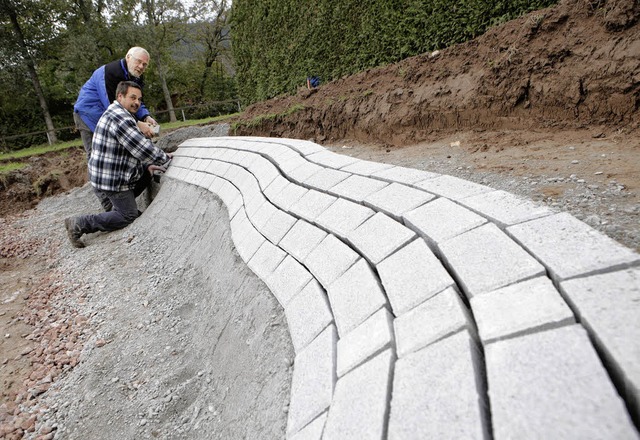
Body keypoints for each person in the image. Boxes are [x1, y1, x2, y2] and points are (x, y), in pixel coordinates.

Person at [64, 81, 171, 249]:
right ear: (120, 96)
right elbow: (140, 148)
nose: (137, 102)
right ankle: (79, 223)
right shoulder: (121, 118)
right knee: (128, 215)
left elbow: (133, 148)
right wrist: (165, 158)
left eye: (139, 99)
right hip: (112, 179)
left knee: (148, 170)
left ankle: (115, 207)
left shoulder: (119, 112)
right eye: (132, 97)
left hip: (109, 173)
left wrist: (147, 167)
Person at [73, 47, 159, 211]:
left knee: (121, 150)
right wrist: (137, 124)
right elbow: (113, 107)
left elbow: (135, 101)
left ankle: (125, 189)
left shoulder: (135, 76)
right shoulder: (110, 73)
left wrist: (145, 116)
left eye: (145, 64)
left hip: (108, 114)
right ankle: (107, 202)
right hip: (89, 114)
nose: (141, 66)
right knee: (95, 156)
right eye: (138, 61)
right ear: (128, 57)